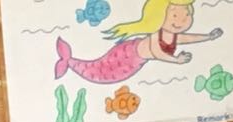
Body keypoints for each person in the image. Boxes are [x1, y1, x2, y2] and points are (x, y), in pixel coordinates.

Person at [54, 0, 222, 85]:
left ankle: (69, 62)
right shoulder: (156, 36)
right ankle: (69, 62)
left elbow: (188, 38)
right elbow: (157, 52)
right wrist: (176, 60)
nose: (182, 20)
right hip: (126, 56)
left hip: (134, 63)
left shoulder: (171, 35)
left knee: (102, 73)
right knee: (99, 71)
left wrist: (209, 36)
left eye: (187, 14)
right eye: (175, 15)